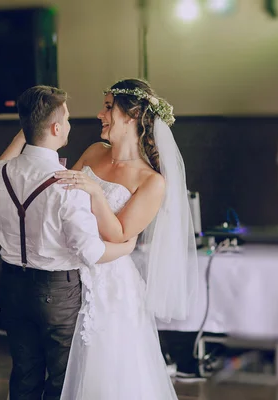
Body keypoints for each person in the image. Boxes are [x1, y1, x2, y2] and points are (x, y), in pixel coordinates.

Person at [0, 85, 138, 400]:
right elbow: (91, 252)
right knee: (62, 381)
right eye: (65, 119)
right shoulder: (69, 185)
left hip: (12, 286)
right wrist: (127, 246)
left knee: (24, 374)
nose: (69, 124)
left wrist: (27, 129)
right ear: (56, 128)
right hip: (57, 293)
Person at [53, 78, 199, 399]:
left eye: (108, 107)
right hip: (69, 266)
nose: (99, 114)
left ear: (131, 116)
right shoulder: (94, 152)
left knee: (106, 371)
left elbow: (119, 233)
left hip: (111, 285)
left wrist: (93, 191)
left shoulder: (152, 180)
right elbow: (64, 197)